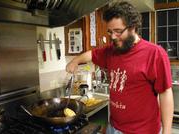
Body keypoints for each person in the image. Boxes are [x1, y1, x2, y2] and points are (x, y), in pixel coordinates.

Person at [66, 1, 174, 134]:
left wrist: (167, 131)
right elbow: (92, 54)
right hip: (114, 127)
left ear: (133, 27)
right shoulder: (111, 50)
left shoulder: (155, 53)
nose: (113, 37)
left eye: (118, 31)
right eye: (110, 32)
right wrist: (75, 61)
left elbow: (165, 93)